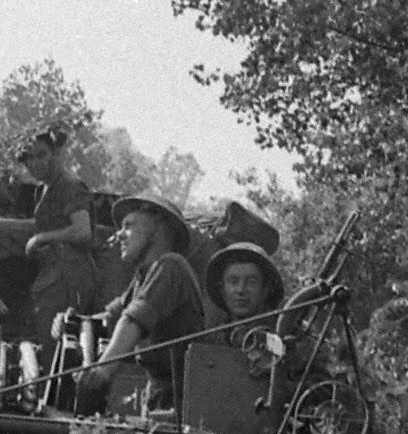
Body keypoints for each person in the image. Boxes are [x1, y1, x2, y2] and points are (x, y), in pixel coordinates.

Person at [77, 194, 206, 411]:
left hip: (179, 400)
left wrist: (103, 370)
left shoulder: (171, 267)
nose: (119, 235)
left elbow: (131, 322)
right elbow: (112, 316)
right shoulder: (144, 277)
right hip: (160, 396)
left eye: (128, 226)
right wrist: (75, 320)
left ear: (157, 226)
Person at [17, 126, 102, 340]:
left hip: (70, 274)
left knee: (60, 342)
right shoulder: (44, 188)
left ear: (56, 153)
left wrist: (41, 238)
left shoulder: (70, 186)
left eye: (41, 155)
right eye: (28, 158)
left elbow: (82, 231)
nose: (35, 162)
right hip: (52, 273)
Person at [204, 241, 287, 343]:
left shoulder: (283, 337)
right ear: (221, 289)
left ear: (266, 289)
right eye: (233, 282)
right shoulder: (212, 339)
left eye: (251, 282)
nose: (240, 290)